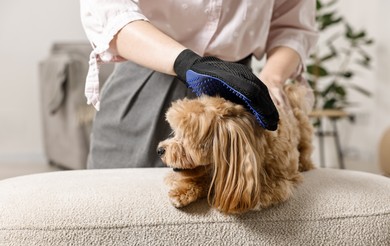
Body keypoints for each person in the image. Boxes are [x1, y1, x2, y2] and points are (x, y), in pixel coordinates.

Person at [80, 0, 318, 169]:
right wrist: (185, 62)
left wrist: (272, 79)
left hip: (236, 97)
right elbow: (108, 8)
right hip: (145, 82)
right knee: (117, 213)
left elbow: (293, 26)